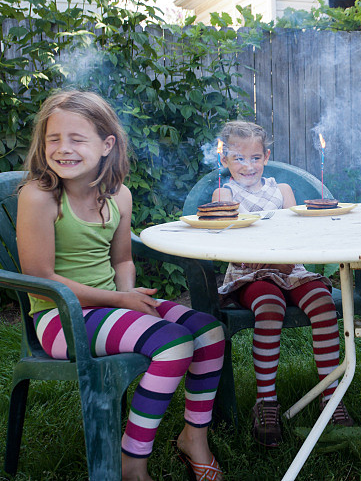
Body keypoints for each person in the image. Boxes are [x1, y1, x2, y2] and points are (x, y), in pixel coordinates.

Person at [17, 90, 226, 481]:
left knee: (210, 333)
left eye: (77, 139)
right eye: (53, 139)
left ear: (106, 144)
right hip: (60, 318)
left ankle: (193, 439)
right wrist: (120, 299)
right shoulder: (40, 197)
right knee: (175, 343)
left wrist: (126, 297)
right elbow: (42, 278)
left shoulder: (119, 196)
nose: (63, 149)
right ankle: (133, 462)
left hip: (110, 305)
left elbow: (122, 260)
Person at [211, 121, 353, 448]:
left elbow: (296, 234)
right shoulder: (225, 193)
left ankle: (330, 396)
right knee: (270, 307)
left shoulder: (282, 191)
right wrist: (263, 258)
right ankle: (266, 402)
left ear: (266, 156)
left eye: (255, 158)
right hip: (251, 272)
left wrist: (292, 253)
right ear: (225, 161)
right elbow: (224, 240)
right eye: (239, 159)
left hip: (291, 268)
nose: (248, 166)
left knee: (322, 301)